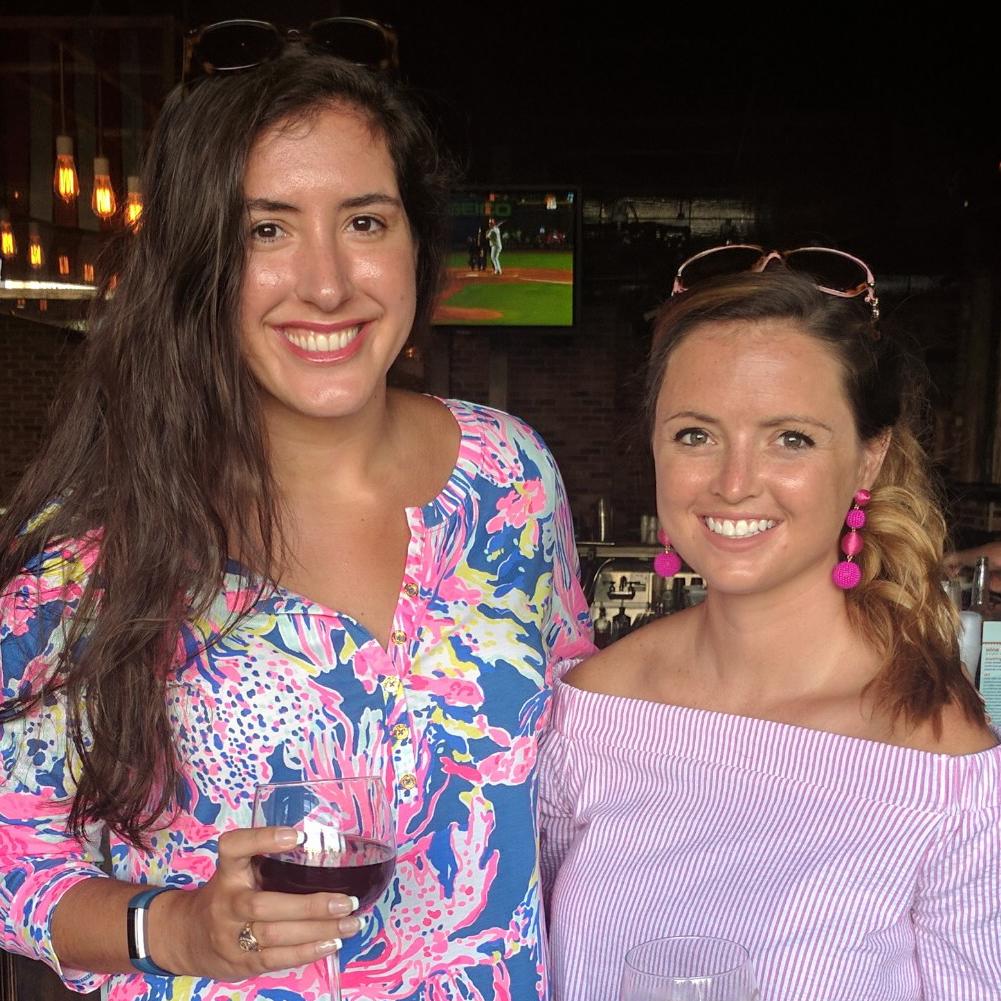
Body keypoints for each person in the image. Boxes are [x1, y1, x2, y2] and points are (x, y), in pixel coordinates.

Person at [0, 40, 593, 1001]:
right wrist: (174, 926)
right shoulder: (100, 540)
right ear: (198, 264)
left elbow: (581, 768)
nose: (326, 283)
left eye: (364, 221)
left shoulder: (508, 475)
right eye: (266, 230)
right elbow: (13, 855)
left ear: (416, 245)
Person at [540, 257, 1001, 1001]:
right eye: (695, 434)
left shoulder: (946, 774)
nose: (733, 483)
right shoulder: (586, 712)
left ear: (869, 456)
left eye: (790, 438)